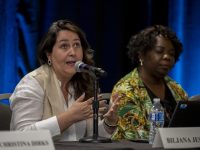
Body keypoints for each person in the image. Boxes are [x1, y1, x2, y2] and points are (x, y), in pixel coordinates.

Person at [9, 19, 119, 141]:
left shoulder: (83, 83)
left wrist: (109, 122)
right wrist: (69, 117)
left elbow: (92, 138)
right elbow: (20, 138)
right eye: (64, 46)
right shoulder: (33, 84)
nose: (73, 52)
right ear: (49, 55)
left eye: (77, 45)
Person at [110, 25, 188, 141]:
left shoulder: (176, 88)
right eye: (159, 51)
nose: (167, 57)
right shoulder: (126, 90)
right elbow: (135, 137)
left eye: (171, 54)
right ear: (141, 54)